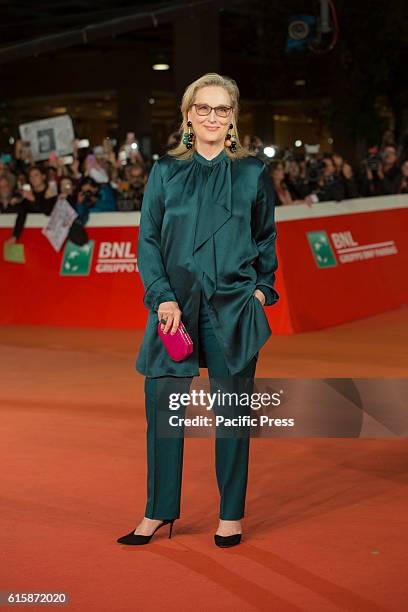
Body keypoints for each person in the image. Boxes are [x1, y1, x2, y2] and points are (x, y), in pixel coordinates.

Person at [117, 72, 279, 548]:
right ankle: (157, 511)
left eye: (221, 109)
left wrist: (261, 292)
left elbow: (265, 236)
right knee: (163, 411)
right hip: (174, 308)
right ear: (188, 116)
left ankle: (230, 515)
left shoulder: (251, 172)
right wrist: (162, 296)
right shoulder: (164, 171)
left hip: (233, 307)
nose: (212, 116)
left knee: (232, 415)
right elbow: (147, 240)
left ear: (232, 119)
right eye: (203, 108)